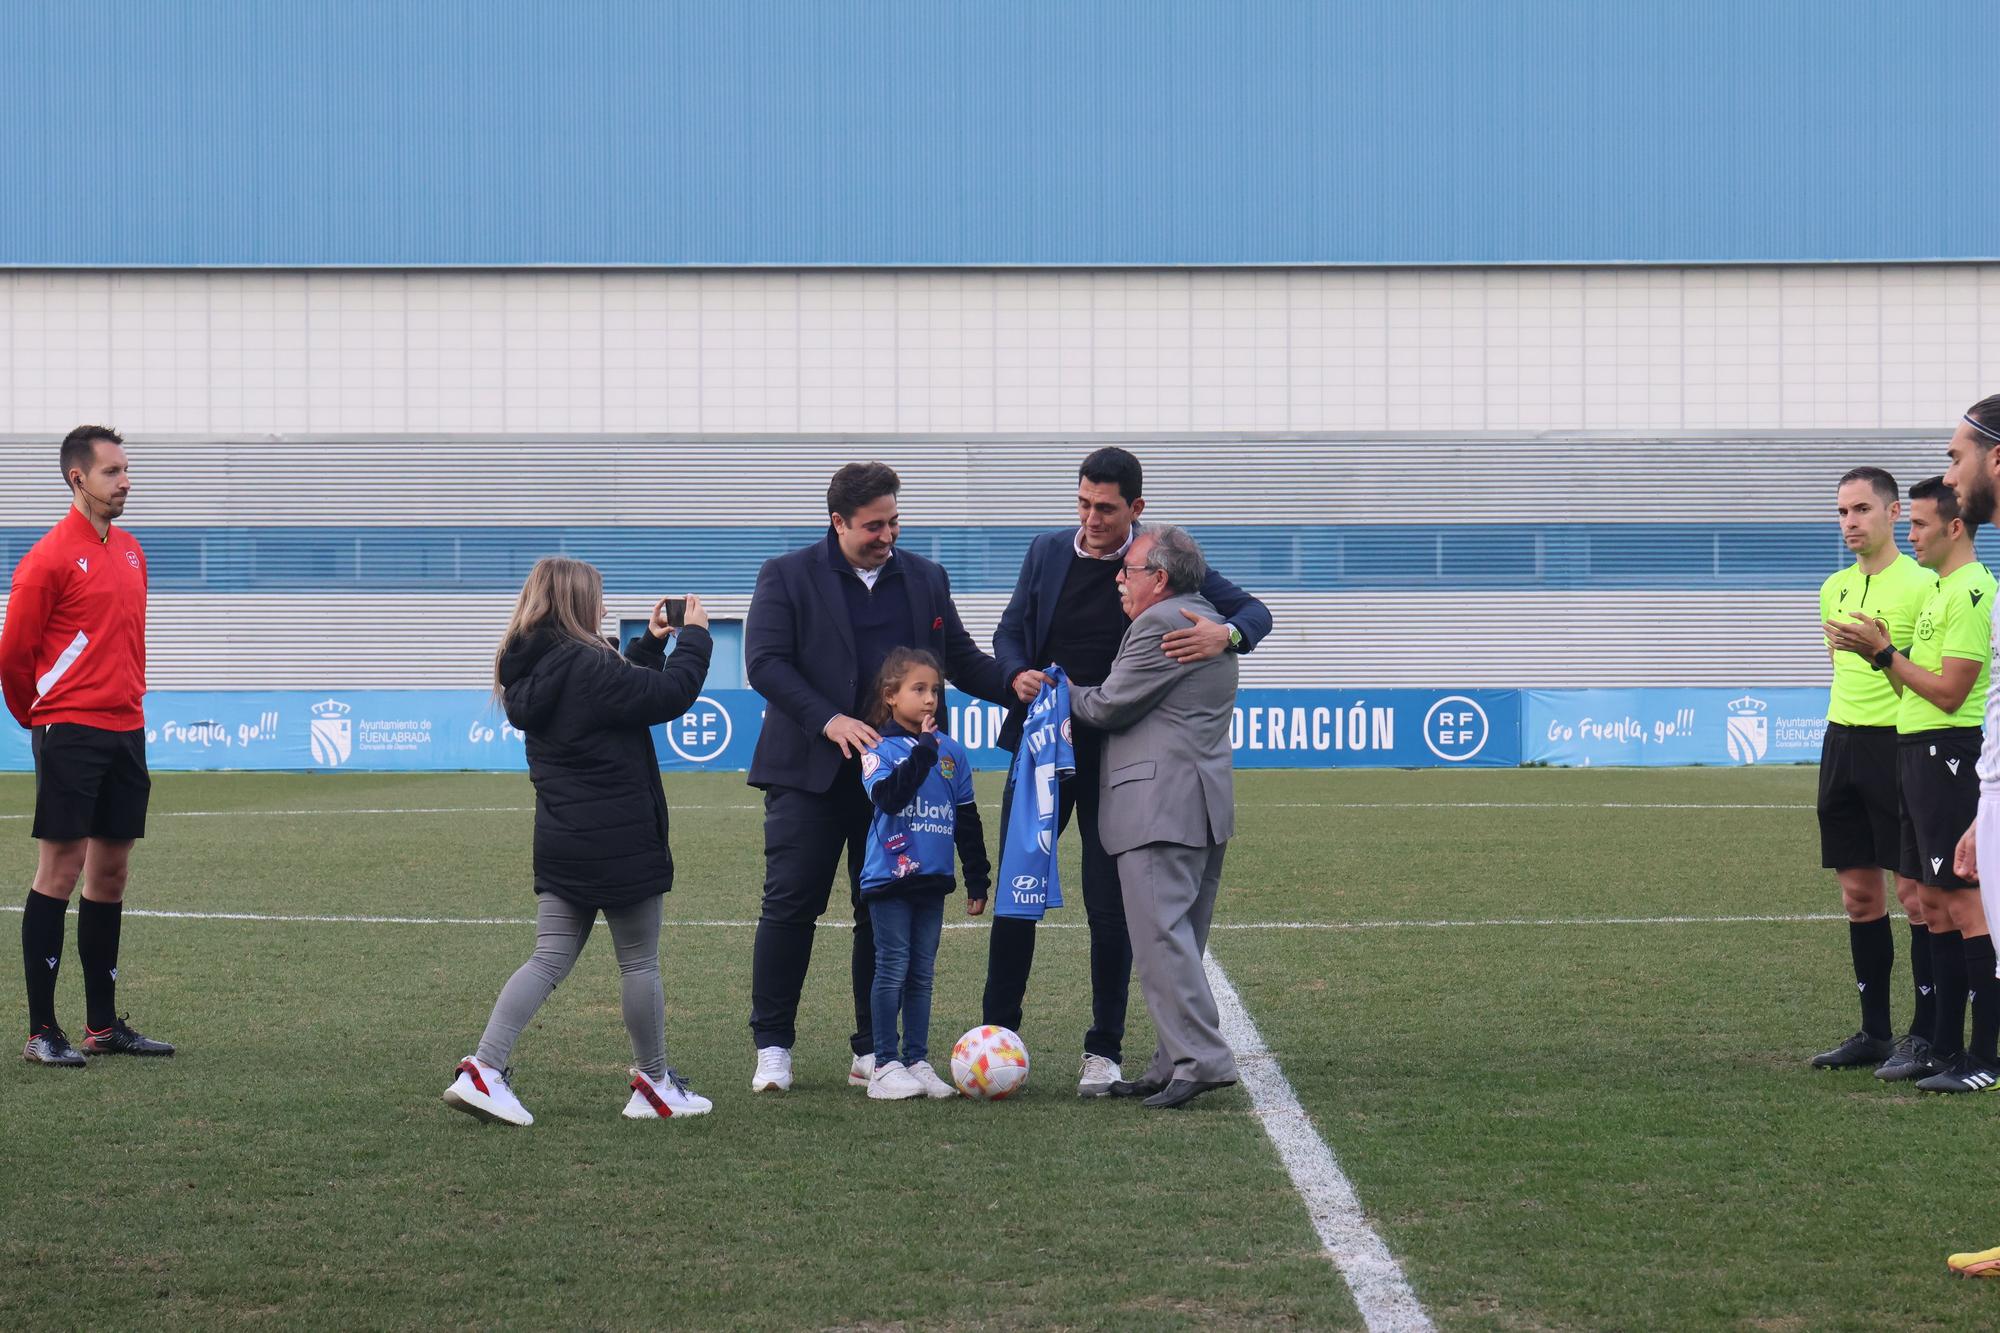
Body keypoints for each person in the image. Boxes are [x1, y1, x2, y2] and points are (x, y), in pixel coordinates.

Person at [984, 447, 1272, 1096]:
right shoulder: (1047, 550)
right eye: (1082, 503)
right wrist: (1016, 675)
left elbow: (1253, 613)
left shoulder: (1163, 560)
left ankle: (1103, 1050)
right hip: (1043, 747)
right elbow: (1009, 633)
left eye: (1105, 508)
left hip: (1118, 753)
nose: (1090, 519)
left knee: (1112, 905)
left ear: (1136, 509)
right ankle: (998, 1033)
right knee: (1018, 891)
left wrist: (1225, 637)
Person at [743, 462, 1010, 1093]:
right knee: (790, 908)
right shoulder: (786, 575)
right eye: (873, 526)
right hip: (809, 773)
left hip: (896, 784)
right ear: (837, 523)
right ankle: (773, 1045)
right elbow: (765, 664)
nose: (887, 535)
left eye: (894, 521)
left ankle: (872, 1049)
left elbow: (960, 660)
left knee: (879, 912)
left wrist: (1013, 685)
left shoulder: (925, 578)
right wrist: (830, 719)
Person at [442, 558, 715, 1125]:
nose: (606, 608)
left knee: (546, 959)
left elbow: (618, 701)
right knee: (639, 962)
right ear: (574, 604)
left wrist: (648, 645)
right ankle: (655, 1083)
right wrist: (695, 640)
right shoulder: (587, 664)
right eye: (599, 597)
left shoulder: (537, 665)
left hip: (563, 840)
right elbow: (667, 697)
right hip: (618, 841)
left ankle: (484, 1070)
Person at [1, 425, 173, 1066]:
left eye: (127, 471)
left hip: (126, 727)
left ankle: (102, 1025)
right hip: (70, 730)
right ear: (78, 478)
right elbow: (14, 656)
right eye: (112, 472)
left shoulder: (130, 551)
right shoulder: (46, 559)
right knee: (61, 869)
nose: (125, 481)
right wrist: (38, 718)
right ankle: (42, 1030)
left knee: (111, 871)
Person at [1826, 476, 1998, 1091]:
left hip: (1938, 750)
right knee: (1919, 900)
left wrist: (1882, 652)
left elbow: (1950, 692)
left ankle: (1968, 1049)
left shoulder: (1961, 588)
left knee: (1952, 901)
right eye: (1841, 510)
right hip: (1894, 745)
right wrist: (1880, 654)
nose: (1912, 534)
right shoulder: (1929, 592)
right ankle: (1931, 1043)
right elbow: (1909, 682)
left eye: (1919, 523)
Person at [1069, 525, 1240, 1110]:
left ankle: (1201, 1060)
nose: (1119, 578)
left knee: (1161, 940)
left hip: (1157, 806)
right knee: (1181, 939)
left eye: (1129, 571)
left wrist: (1057, 690)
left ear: (1158, 579)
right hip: (1200, 803)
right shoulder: (1208, 620)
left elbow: (1108, 705)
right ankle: (1172, 1060)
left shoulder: (1159, 623)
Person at [1810, 466, 1936, 1071]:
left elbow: (1937, 677)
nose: (1850, 522)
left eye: (1861, 510)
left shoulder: (1923, 584)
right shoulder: (1832, 586)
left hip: (1900, 746)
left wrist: (1885, 651)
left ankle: (1925, 1032)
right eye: (1841, 512)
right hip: (1842, 745)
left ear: (1893, 514)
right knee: (1860, 898)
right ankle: (1874, 1033)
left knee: (1915, 896)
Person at [855, 648, 991, 1101]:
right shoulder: (877, 746)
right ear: (891, 696)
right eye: (918, 689)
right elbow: (890, 798)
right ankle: (883, 1064)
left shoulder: (953, 752)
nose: (930, 698)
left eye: (935, 690)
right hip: (889, 880)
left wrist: (977, 878)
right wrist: (923, 754)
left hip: (933, 880)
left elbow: (967, 820)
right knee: (892, 967)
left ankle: (916, 1059)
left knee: (922, 974)